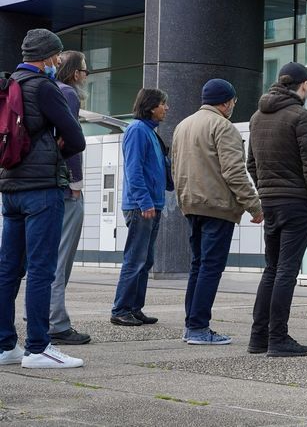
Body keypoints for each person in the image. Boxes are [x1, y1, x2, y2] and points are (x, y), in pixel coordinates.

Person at [0, 29, 86, 369]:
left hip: (10, 189)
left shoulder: (8, 85)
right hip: (42, 190)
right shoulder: (44, 86)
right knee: (40, 268)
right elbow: (75, 137)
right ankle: (38, 347)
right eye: (56, 56)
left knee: (8, 269)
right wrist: (56, 145)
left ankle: (6, 345)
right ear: (48, 56)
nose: (57, 62)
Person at [172, 79, 264, 345]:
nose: (233, 106)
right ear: (226, 102)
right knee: (211, 268)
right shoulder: (224, 127)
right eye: (233, 101)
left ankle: (192, 324)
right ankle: (199, 328)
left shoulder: (182, 126)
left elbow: (175, 168)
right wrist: (254, 205)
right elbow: (234, 172)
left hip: (191, 205)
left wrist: (183, 200)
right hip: (217, 207)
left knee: (198, 266)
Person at [247, 62, 307, 357]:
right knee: (286, 271)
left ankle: (258, 338)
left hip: (271, 201)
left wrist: (266, 190)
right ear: (303, 85)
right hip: (297, 203)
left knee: (272, 269)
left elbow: (251, 164)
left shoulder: (256, 117)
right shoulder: (302, 116)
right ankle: (278, 338)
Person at [111, 88, 172, 327]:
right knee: (135, 259)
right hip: (141, 206)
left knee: (145, 260)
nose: (166, 108)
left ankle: (135, 308)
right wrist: (145, 201)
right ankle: (121, 309)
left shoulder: (150, 133)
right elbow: (133, 170)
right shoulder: (137, 131)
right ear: (150, 106)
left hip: (152, 204)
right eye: (163, 104)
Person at [48, 50, 91, 345]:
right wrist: (76, 183)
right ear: (75, 73)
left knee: (44, 257)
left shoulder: (46, 89)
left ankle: (40, 312)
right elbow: (72, 142)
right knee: (61, 259)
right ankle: (57, 322)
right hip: (65, 187)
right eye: (85, 70)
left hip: (41, 185)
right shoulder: (69, 94)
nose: (86, 75)